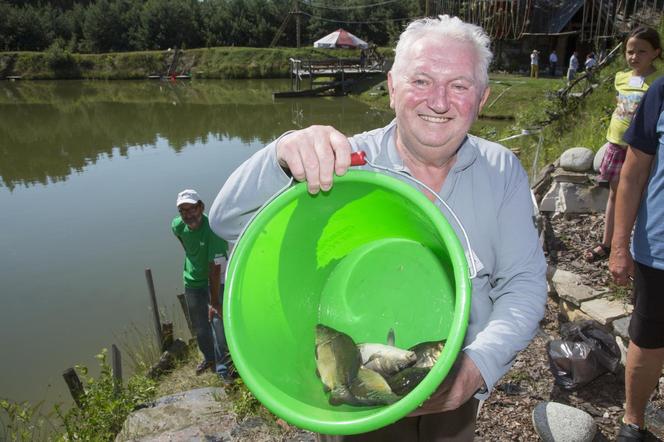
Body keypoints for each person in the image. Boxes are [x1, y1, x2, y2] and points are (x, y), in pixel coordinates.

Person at [210, 15, 547, 440]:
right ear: (391, 87)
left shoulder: (502, 170)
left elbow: (524, 284)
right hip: (357, 412)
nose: (439, 102)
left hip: (455, 397)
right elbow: (227, 220)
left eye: (459, 86)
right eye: (421, 81)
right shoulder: (343, 165)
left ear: (482, 98)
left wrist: (477, 367)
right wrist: (282, 153)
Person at [608, 72, 664, 441]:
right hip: (659, 249)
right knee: (647, 337)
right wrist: (618, 244)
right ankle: (633, 422)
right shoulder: (661, 91)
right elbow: (632, 173)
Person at [584, 27, 662, 262]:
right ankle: (608, 243)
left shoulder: (657, 83)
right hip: (618, 144)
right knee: (616, 195)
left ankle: (636, 242)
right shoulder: (621, 77)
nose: (634, 56)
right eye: (630, 51)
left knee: (640, 195)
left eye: (641, 51)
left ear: (655, 53)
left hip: (641, 150)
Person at [172, 189, 231, 379]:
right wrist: (193, 259)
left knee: (218, 324)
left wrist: (214, 302)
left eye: (192, 209)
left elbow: (214, 269)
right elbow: (185, 243)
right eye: (183, 211)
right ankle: (209, 358)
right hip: (192, 282)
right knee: (199, 325)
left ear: (201, 207)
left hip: (216, 280)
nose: (188, 215)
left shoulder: (214, 229)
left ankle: (225, 369)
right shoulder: (177, 225)